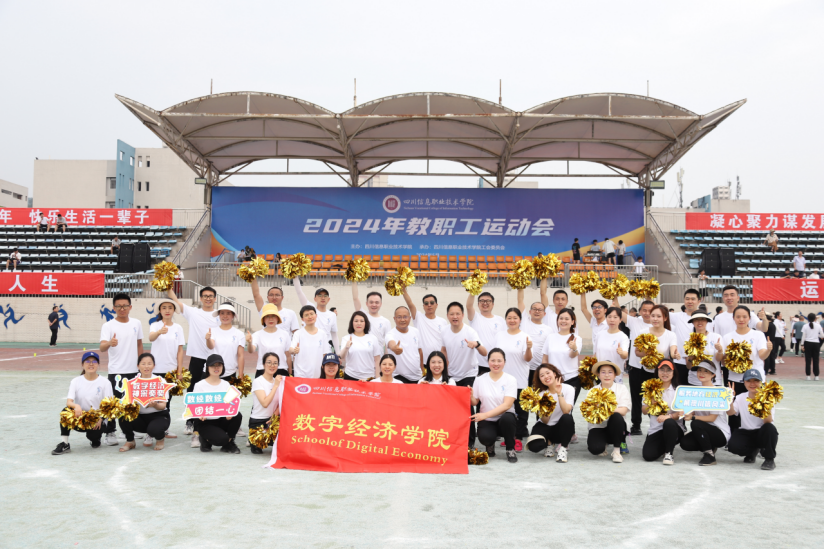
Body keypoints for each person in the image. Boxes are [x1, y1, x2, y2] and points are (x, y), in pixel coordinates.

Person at [167, 285, 220, 443]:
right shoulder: (193, 312)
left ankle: (215, 420)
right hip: (197, 357)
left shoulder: (220, 316)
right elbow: (174, 299)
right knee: (192, 391)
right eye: (205, 296)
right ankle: (190, 421)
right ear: (201, 298)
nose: (208, 298)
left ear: (215, 298)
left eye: (211, 296)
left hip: (214, 359)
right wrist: (167, 284)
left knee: (214, 390)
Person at [717, 306, 771, 436]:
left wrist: (769, 349)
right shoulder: (727, 337)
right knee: (734, 411)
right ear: (733, 318)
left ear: (749, 318)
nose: (741, 319)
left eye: (744, 317)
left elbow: (762, 355)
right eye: (738, 317)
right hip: (734, 380)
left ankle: (759, 437)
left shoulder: (758, 335)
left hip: (755, 380)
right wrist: (722, 353)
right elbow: (723, 361)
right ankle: (734, 437)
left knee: (757, 409)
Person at [441, 301, 487, 449]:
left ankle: (470, 441)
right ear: (447, 315)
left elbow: (484, 352)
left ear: (462, 315)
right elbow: (443, 350)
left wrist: (476, 345)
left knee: (467, 407)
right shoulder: (444, 331)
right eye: (452, 314)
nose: (455, 316)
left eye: (458, 314)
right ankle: (454, 438)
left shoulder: (470, 332)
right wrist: (444, 369)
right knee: (452, 409)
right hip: (452, 375)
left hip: (469, 374)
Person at [99, 293, 144, 445]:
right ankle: (110, 432)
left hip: (134, 371)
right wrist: (109, 343)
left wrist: (141, 364)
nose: (122, 309)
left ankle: (128, 430)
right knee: (114, 403)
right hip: (116, 371)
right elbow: (102, 347)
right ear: (114, 308)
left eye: (125, 306)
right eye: (118, 306)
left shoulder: (136, 323)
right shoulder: (108, 326)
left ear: (130, 307)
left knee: (132, 402)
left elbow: (139, 344)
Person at [51, 352, 114, 455]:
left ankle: (96, 439)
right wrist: (76, 406)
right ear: (82, 364)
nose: (91, 364)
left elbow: (109, 406)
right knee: (65, 412)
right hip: (81, 415)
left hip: (97, 418)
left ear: (98, 364)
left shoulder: (105, 382)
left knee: (92, 436)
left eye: (94, 361)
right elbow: (69, 402)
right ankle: (65, 443)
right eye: (87, 361)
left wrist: (101, 418)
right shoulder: (76, 381)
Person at [494, 307, 533, 449]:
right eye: (509, 318)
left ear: (520, 320)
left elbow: (527, 359)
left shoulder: (525, 337)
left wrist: (528, 348)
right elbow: (495, 356)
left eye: (515, 318)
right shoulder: (499, 335)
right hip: (502, 380)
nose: (512, 320)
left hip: (519, 379)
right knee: (504, 410)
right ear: (505, 320)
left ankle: (518, 438)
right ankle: (508, 436)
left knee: (520, 411)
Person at [471, 348, 518, 463]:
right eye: (493, 360)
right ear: (488, 362)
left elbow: (507, 405)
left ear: (504, 362)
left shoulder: (510, 379)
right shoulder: (479, 380)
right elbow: (474, 402)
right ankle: (490, 445)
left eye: (499, 361)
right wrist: (470, 395)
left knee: (508, 419)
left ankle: (510, 448)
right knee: (485, 438)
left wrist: (484, 415)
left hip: (504, 418)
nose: (496, 364)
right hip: (488, 420)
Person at [147, 297, 185, 441]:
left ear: (174, 310)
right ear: (160, 310)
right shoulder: (155, 325)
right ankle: (149, 432)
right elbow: (151, 338)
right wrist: (159, 332)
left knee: (166, 402)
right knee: (152, 400)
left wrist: (179, 371)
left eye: (170, 307)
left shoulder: (178, 328)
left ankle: (164, 428)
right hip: (156, 371)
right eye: (164, 308)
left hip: (171, 371)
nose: (167, 310)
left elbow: (180, 350)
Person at [679, 360, 730, 466]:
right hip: (704, 429)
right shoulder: (697, 392)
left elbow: (712, 418)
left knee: (695, 423)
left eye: (706, 371)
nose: (701, 373)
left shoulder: (717, 393)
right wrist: (685, 412)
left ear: (713, 374)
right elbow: (693, 411)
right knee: (685, 443)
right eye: (699, 370)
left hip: (720, 432)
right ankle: (710, 446)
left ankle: (709, 455)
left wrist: (693, 418)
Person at [118, 353, 171, 452]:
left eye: (149, 364)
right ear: (138, 366)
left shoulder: (160, 381)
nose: (146, 366)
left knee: (154, 430)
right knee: (123, 416)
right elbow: (126, 403)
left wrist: (155, 405)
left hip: (158, 415)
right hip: (140, 417)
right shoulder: (132, 382)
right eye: (143, 364)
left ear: (154, 366)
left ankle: (160, 439)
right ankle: (130, 441)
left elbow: (163, 406)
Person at [727, 369, 778, 470]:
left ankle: (769, 459)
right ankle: (752, 451)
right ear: (744, 382)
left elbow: (768, 421)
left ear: (761, 382)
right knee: (733, 446)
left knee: (770, 428)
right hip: (746, 431)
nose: (752, 384)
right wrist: (730, 400)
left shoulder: (768, 397)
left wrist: (765, 404)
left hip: (761, 431)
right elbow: (730, 413)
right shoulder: (740, 397)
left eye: (756, 381)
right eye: (749, 381)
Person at [616, 299, 654, 434]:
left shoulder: (659, 324)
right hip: (636, 367)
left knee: (653, 397)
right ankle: (636, 425)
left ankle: (655, 424)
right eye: (644, 310)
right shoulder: (634, 321)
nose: (647, 313)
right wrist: (615, 296)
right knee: (636, 397)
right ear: (640, 311)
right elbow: (618, 310)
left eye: (650, 310)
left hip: (653, 369)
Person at [192, 354, 243, 453]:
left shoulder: (226, 384)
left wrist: (229, 413)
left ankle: (229, 442)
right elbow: (194, 406)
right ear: (207, 367)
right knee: (221, 439)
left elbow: (230, 403)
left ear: (223, 367)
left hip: (221, 419)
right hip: (205, 422)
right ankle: (205, 439)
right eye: (213, 365)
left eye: (219, 365)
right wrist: (200, 414)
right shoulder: (199, 385)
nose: (216, 368)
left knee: (237, 415)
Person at [526, 364, 575, 463]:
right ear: (540, 379)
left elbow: (566, 411)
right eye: (542, 375)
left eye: (548, 373)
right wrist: (542, 407)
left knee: (567, 418)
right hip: (545, 425)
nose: (546, 377)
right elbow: (545, 421)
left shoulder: (569, 388)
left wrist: (559, 393)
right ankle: (549, 443)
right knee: (533, 446)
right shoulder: (540, 394)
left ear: (554, 373)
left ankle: (563, 448)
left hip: (561, 426)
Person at [641, 359, 685, 465]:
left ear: (673, 373)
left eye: (668, 370)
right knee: (648, 455)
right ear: (657, 371)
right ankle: (666, 444)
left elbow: (681, 413)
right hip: (656, 429)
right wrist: (651, 403)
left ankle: (669, 453)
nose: (665, 373)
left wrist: (668, 417)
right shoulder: (650, 388)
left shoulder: (678, 390)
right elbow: (644, 411)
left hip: (674, 427)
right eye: (662, 370)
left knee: (669, 422)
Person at [586, 361, 631, 463]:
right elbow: (588, 412)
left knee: (617, 416)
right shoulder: (592, 391)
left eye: (610, 372)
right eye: (603, 372)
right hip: (598, 425)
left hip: (617, 425)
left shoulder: (621, 388)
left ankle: (616, 450)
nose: (607, 375)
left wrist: (604, 408)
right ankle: (604, 443)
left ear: (615, 375)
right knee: (595, 449)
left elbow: (623, 410)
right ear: (598, 375)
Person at [670, 289, 711, 386]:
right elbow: (659, 310)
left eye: (693, 299)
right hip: (680, 362)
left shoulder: (707, 320)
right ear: (684, 300)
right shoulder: (677, 317)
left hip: (700, 364)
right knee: (680, 390)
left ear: (699, 301)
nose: (690, 301)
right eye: (687, 299)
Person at [542, 308, 583, 405]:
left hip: (571, 379)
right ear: (557, 320)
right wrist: (544, 375)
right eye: (561, 318)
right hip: (552, 379)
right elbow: (545, 359)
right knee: (551, 408)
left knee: (567, 409)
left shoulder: (576, 338)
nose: (563, 321)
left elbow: (572, 355)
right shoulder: (550, 337)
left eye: (567, 319)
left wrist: (574, 348)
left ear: (572, 322)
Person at [249, 353, 283, 454]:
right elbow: (265, 403)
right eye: (269, 362)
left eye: (275, 363)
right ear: (263, 364)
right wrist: (275, 386)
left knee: (283, 444)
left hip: (272, 420)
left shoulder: (278, 382)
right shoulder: (258, 381)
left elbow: (281, 402)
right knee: (257, 448)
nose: (272, 365)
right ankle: (252, 440)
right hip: (258, 421)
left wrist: (274, 417)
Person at [517, 286, 549, 391]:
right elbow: (520, 300)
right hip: (522, 366)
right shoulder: (524, 321)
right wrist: (520, 285)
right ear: (530, 312)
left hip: (538, 369)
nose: (537, 311)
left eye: (540, 310)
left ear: (544, 314)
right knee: (522, 395)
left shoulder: (548, 330)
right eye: (534, 309)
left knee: (538, 395)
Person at [402, 288, 448, 362]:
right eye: (426, 303)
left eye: (432, 303)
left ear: (436, 305)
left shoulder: (443, 321)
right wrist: (403, 289)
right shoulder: (418, 317)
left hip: (438, 361)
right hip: (423, 362)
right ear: (423, 306)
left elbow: (445, 343)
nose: (429, 305)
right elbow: (410, 304)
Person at [294, 279, 339, 353]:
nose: (323, 298)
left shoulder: (332, 315)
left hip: (325, 349)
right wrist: (294, 276)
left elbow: (334, 335)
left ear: (328, 299)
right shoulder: (311, 309)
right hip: (309, 347)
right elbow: (299, 292)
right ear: (315, 299)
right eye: (320, 295)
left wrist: (338, 353)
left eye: (325, 296)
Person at [246, 304, 291, 378]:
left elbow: (288, 355)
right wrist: (249, 342)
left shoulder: (285, 334)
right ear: (263, 319)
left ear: (277, 318)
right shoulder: (257, 334)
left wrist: (290, 372)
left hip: (281, 370)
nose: (270, 319)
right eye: (267, 316)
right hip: (263, 370)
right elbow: (251, 350)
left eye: (273, 316)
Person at [467, 291, 505, 376]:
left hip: (495, 363)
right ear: (478, 304)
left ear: (493, 304)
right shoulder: (475, 317)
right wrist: (473, 290)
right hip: (478, 363)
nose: (485, 303)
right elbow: (469, 306)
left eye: (488, 301)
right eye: (482, 301)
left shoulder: (500, 320)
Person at [205, 303, 245, 382]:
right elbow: (211, 346)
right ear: (219, 315)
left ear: (233, 316)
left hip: (230, 373)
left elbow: (240, 356)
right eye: (222, 313)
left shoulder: (239, 334)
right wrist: (208, 339)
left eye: (228, 313)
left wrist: (240, 374)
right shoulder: (212, 331)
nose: (225, 316)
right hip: (212, 372)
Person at [289, 305, 331, 379]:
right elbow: (291, 349)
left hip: (317, 374)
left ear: (316, 315)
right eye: (306, 315)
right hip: (301, 374)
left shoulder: (322, 334)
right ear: (302, 319)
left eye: (312, 314)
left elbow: (325, 354)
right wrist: (294, 350)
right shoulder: (298, 333)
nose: (310, 317)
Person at [386, 306, 424, 383]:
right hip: (399, 377)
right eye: (399, 317)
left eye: (405, 317)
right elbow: (391, 344)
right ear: (394, 319)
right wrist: (394, 348)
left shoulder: (415, 331)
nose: (402, 320)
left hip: (417, 376)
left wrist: (422, 370)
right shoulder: (390, 334)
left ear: (410, 318)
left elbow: (420, 351)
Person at [339, 311, 381, 381]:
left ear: (365, 323)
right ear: (352, 323)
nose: (359, 323)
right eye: (356, 321)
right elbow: (342, 357)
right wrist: (346, 347)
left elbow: (377, 360)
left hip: (369, 377)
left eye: (362, 321)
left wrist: (377, 378)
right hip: (350, 376)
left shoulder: (373, 338)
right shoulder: (346, 338)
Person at [685, 311, 723, 387]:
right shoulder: (688, 340)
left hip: (713, 380)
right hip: (694, 381)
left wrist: (720, 350)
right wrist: (691, 358)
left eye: (702, 319)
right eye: (696, 319)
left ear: (707, 321)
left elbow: (718, 359)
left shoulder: (716, 337)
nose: (699, 322)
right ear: (692, 322)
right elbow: (688, 366)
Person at [595, 306, 630, 386]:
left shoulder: (623, 337)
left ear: (620, 320)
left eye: (615, 317)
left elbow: (625, 355)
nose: (612, 320)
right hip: (601, 375)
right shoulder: (600, 334)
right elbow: (595, 354)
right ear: (606, 318)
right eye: (609, 317)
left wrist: (621, 353)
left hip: (616, 376)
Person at [352, 282, 391, 351]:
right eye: (371, 302)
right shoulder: (362, 315)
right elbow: (355, 298)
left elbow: (387, 343)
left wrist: (386, 356)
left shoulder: (386, 322)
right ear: (367, 303)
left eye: (377, 302)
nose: (374, 305)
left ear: (381, 304)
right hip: (363, 353)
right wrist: (353, 280)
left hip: (378, 355)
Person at [801, 313, 824, 380]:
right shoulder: (818, 326)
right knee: (816, 359)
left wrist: (802, 345)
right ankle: (816, 376)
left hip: (808, 343)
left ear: (808, 318)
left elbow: (803, 336)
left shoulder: (805, 326)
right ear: (815, 318)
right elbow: (822, 336)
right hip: (816, 343)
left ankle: (808, 376)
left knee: (808, 360)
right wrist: (817, 335)